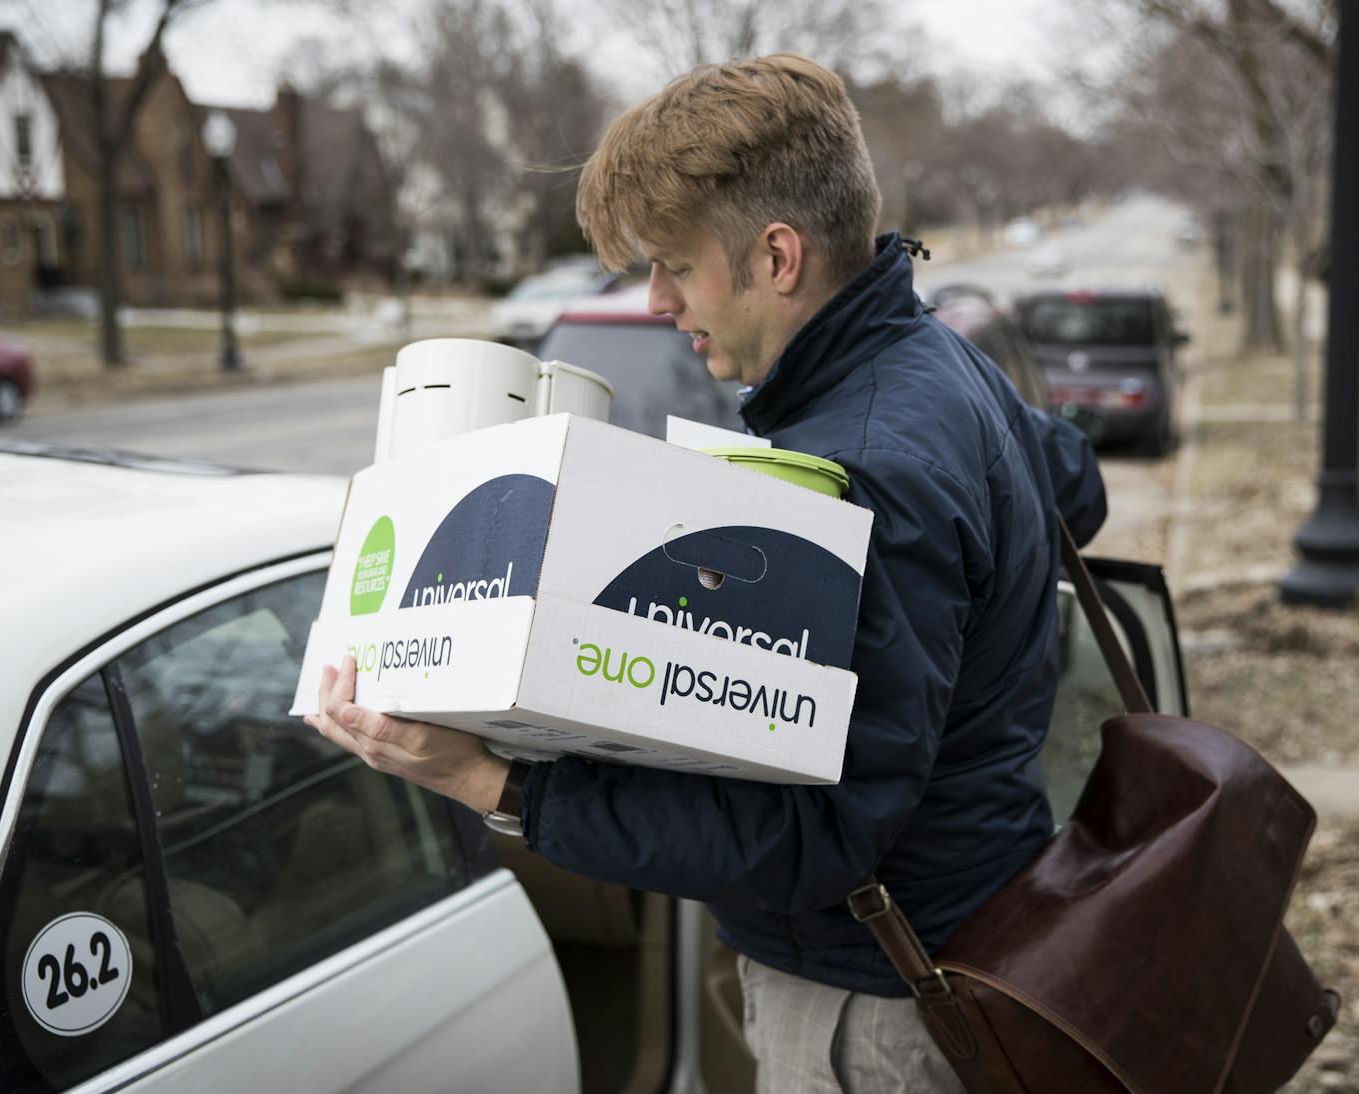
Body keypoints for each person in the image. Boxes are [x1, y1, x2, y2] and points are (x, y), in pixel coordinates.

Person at [305, 53, 1106, 1093]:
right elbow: (1072, 486)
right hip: (972, 925)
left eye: (672, 263)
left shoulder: (858, 474)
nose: (652, 299)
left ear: (776, 256)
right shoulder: (936, 364)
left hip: (876, 1007)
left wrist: (483, 778)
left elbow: (817, 835)